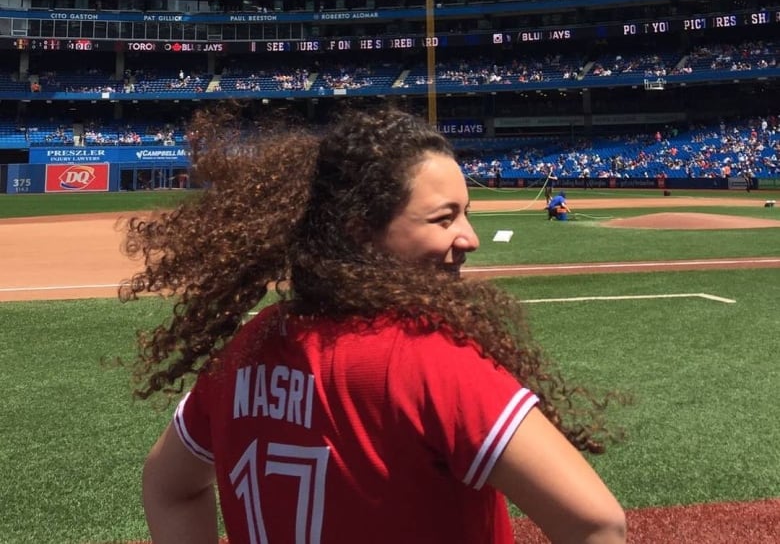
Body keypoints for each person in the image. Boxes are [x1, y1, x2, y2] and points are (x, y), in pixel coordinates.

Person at [122, 106, 625, 544]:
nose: (469, 237)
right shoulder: (428, 360)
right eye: (444, 218)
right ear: (360, 230)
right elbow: (596, 524)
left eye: (465, 214)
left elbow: (167, 486)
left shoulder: (243, 352)